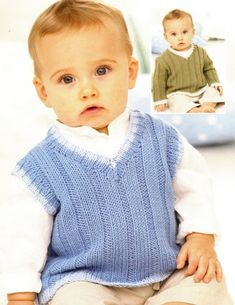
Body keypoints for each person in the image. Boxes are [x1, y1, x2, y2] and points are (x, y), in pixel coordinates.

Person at [0, 1, 232, 305]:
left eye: (101, 70)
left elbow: (193, 188)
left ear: (131, 72)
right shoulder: (38, 170)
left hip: (168, 270)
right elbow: (23, 240)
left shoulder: (162, 138)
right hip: (85, 279)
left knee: (206, 282)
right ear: (44, 91)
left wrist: (200, 236)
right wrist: (21, 296)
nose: (87, 90)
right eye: (67, 79)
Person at [152, 9, 224, 113]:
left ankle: (207, 106)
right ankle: (194, 110)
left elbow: (209, 68)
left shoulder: (200, 51)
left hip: (201, 89)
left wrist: (214, 82)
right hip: (178, 93)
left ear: (193, 32)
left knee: (213, 91)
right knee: (175, 101)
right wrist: (159, 99)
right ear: (166, 37)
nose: (180, 38)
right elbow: (158, 81)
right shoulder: (163, 59)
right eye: (174, 34)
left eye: (185, 32)